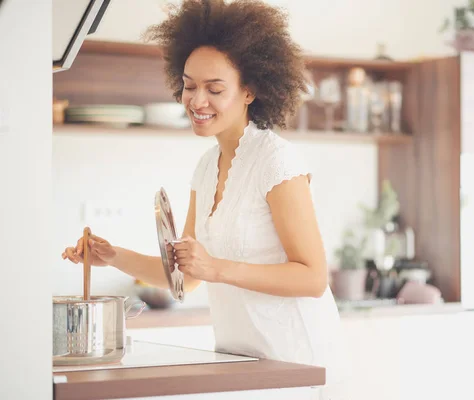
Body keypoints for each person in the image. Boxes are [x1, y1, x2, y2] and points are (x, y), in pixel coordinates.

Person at [62, 0, 347, 398]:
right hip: (242, 364)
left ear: (249, 91)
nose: (197, 101)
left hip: (296, 361)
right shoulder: (206, 165)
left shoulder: (275, 161)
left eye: (214, 89)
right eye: (189, 85)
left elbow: (313, 278)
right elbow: (189, 276)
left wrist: (218, 268)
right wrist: (112, 255)